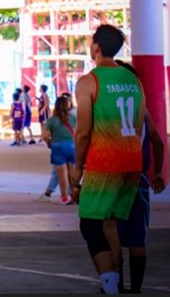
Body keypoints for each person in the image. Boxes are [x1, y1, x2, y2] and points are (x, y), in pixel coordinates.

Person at [70, 24, 145, 295]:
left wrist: (77, 169)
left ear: (96, 47)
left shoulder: (90, 81)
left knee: (89, 225)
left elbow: (82, 132)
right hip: (132, 162)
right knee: (109, 222)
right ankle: (115, 284)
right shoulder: (133, 80)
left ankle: (110, 285)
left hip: (104, 164)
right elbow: (139, 124)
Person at [114, 60, 166, 294]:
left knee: (111, 237)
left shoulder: (105, 106)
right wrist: (157, 172)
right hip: (139, 178)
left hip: (112, 179)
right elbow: (157, 141)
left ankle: (116, 287)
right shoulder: (142, 109)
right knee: (137, 240)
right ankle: (136, 289)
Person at [42, 96, 77, 205]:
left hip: (57, 147)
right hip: (72, 146)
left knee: (62, 175)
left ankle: (64, 197)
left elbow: (45, 136)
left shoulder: (51, 120)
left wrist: (49, 143)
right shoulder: (73, 118)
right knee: (72, 173)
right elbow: (78, 132)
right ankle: (74, 196)